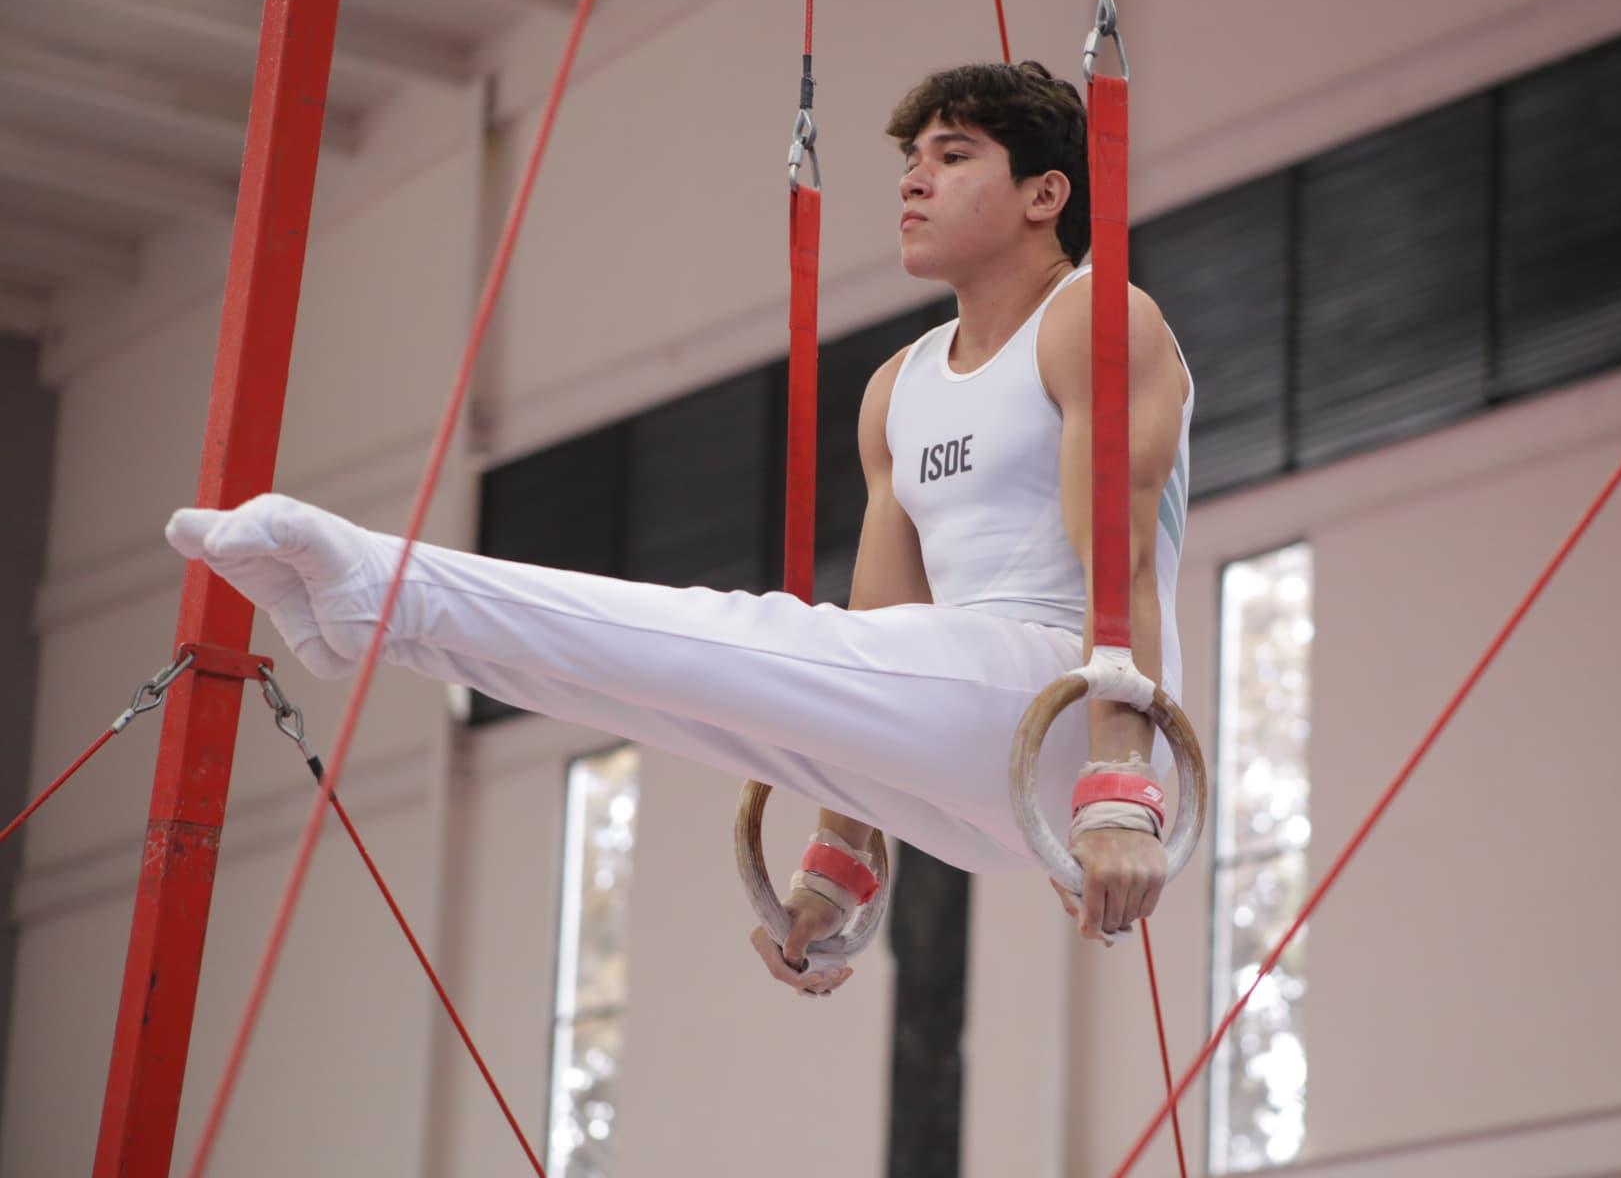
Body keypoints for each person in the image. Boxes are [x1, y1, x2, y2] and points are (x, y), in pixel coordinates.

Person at [166, 61, 1194, 998]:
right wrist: (838, 867)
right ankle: (384, 617)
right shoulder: (899, 389)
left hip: (1072, 702)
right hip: (966, 755)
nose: (913, 180)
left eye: (953, 155)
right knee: (667, 691)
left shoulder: (1096, 318)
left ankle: (390, 583)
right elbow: (869, 649)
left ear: (1045, 194)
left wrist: (1123, 791)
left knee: (742, 639)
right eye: (909, 159)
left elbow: (1123, 561)